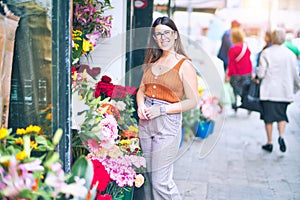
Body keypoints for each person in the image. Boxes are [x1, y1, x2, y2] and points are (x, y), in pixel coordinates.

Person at [136, 16, 198, 200]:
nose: (163, 37)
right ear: (154, 38)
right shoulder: (152, 61)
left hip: (167, 121)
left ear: (175, 35)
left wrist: (161, 110)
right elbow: (141, 90)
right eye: (158, 34)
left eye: (166, 33)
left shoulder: (184, 64)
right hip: (146, 121)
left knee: (161, 181)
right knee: (148, 175)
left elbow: (192, 101)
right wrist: (140, 105)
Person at [256, 28, 300, 153]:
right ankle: (281, 135)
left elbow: (261, 73)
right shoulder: (290, 55)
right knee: (281, 115)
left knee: (268, 118)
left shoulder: (266, 53)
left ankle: (269, 142)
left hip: (269, 92)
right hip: (284, 92)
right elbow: (295, 75)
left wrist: (257, 74)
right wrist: (296, 88)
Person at [225, 27, 253, 112]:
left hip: (236, 74)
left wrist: (228, 75)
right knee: (245, 90)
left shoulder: (233, 49)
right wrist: (251, 72)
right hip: (246, 73)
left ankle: (235, 104)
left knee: (235, 89)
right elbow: (249, 61)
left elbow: (231, 64)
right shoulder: (246, 47)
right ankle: (247, 104)